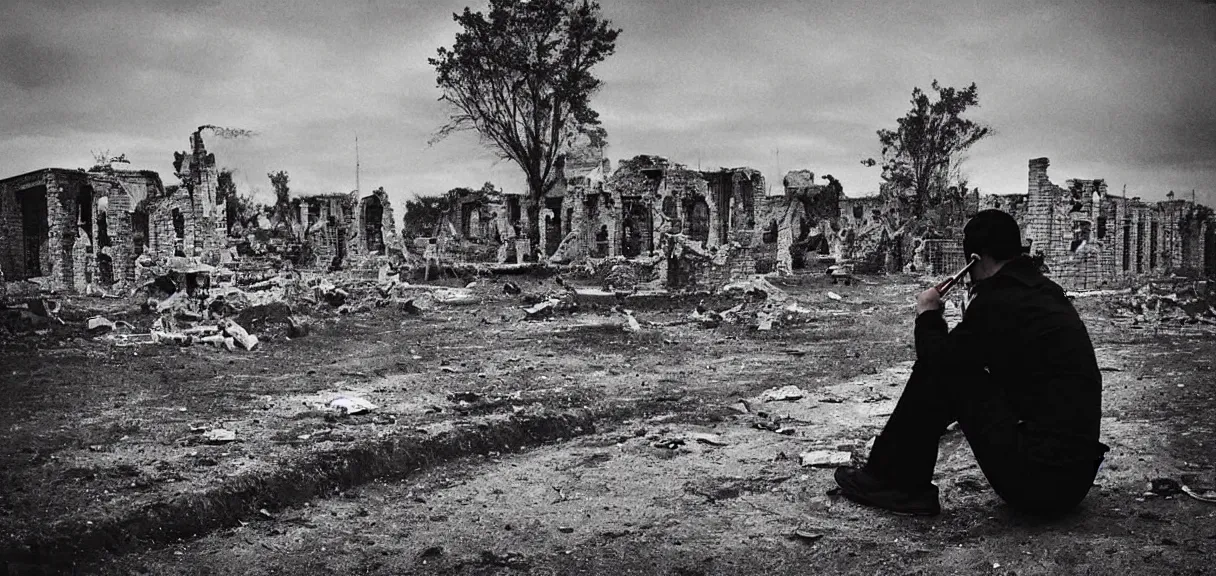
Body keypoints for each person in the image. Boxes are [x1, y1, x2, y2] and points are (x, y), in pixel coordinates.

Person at [833, 209, 1109, 517]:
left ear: (975, 260)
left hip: (1039, 485)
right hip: (1072, 480)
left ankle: (898, 483)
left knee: (942, 369)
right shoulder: (1043, 292)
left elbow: (939, 365)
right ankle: (896, 478)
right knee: (954, 365)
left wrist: (927, 316)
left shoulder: (1000, 300)